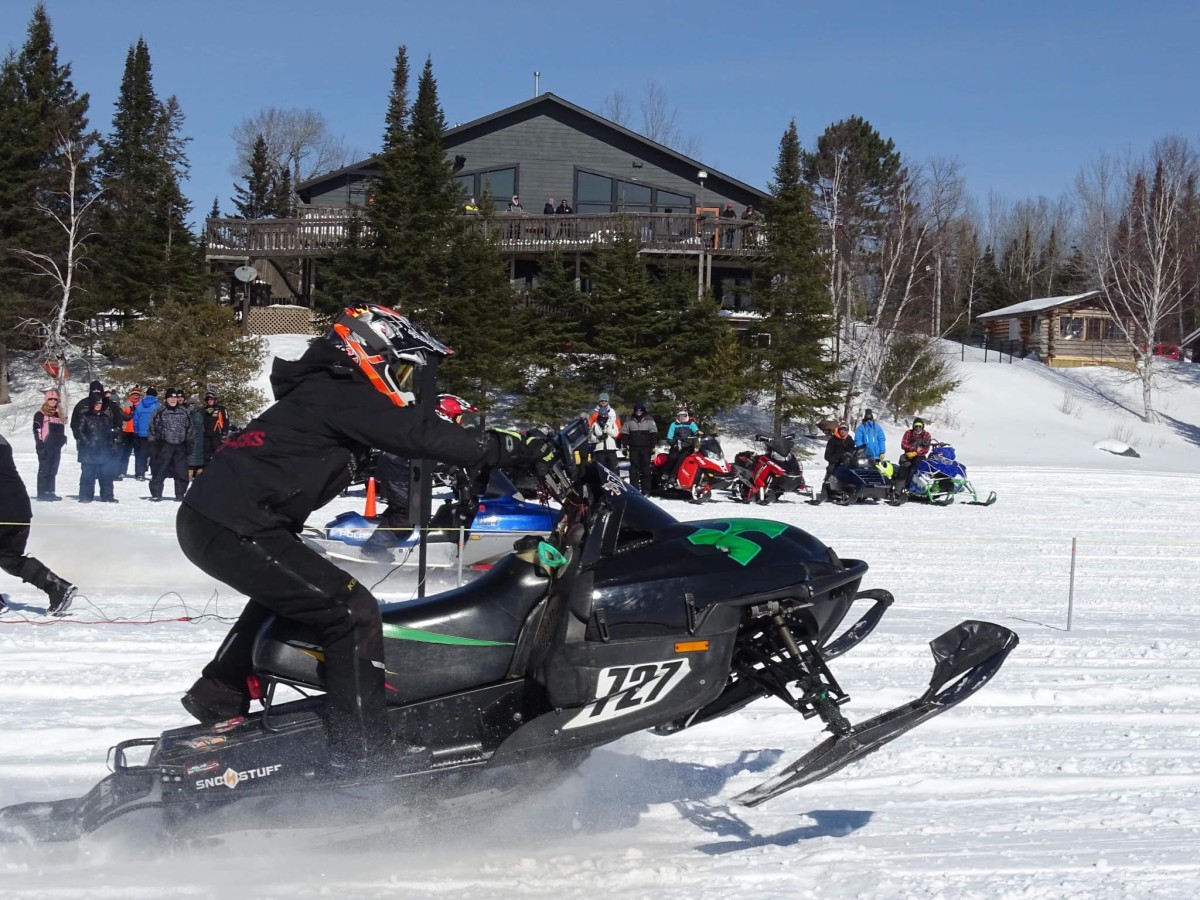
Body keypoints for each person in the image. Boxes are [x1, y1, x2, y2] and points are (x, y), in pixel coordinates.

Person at [175, 304, 551, 771]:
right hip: (234, 525)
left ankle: (219, 692)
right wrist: (503, 447)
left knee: (294, 596)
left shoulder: (327, 391)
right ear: (367, 353)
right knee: (351, 612)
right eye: (399, 366)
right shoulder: (340, 391)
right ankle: (364, 752)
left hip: (226, 520)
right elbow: (416, 433)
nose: (402, 379)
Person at [360, 393, 478, 561]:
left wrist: (459, 472)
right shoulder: (431, 428)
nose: (461, 422)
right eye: (459, 417)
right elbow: (433, 454)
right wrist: (452, 469)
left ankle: (391, 543)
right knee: (409, 513)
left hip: (402, 470)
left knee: (410, 513)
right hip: (398, 472)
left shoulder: (430, 425)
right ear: (446, 414)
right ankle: (373, 548)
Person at [0, 435, 76, 616]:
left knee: (7, 557)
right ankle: (57, 588)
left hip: (4, 508)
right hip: (19, 507)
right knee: (9, 558)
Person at [147, 389, 193, 501]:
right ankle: (156, 494)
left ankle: (180, 494)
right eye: (170, 397)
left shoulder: (184, 411)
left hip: (180, 445)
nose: (173, 400)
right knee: (159, 470)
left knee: (181, 472)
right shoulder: (159, 411)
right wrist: (153, 445)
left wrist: (189, 444)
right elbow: (152, 428)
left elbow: (190, 429)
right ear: (166, 399)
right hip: (164, 445)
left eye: (175, 397)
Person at [77, 394, 116, 503]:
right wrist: (88, 443)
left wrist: (112, 444)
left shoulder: (105, 417)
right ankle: (85, 496)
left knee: (106, 475)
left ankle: (107, 496)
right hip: (89, 452)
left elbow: (109, 433)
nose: (99, 405)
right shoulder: (85, 416)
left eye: (100, 403)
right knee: (88, 475)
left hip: (104, 451)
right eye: (97, 403)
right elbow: (79, 431)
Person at [33, 388, 67, 501]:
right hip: (45, 446)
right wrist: (40, 445)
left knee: (53, 470)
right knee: (45, 469)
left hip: (56, 447)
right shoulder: (40, 414)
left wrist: (63, 439)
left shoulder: (58, 415)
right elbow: (37, 431)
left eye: (55, 399)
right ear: (46, 400)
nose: (53, 401)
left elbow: (61, 430)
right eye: (50, 399)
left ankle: (50, 491)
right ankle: (42, 492)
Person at [622, 403, 657, 493]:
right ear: (634, 411)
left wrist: (652, 446)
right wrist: (625, 445)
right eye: (637, 410)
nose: (638, 412)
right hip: (633, 447)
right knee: (634, 468)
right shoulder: (629, 420)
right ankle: (634, 489)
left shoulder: (649, 419)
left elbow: (653, 433)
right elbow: (625, 433)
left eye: (640, 410)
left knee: (646, 468)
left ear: (643, 411)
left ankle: (646, 490)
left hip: (646, 447)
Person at [893, 416, 932, 491]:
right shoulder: (908, 433)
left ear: (922, 426)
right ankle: (898, 489)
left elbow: (926, 449)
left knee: (916, 467)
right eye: (916, 426)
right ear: (913, 426)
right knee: (904, 467)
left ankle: (913, 485)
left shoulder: (926, 435)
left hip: (920, 456)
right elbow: (904, 444)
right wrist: (914, 449)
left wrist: (917, 452)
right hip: (908, 454)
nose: (918, 427)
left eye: (919, 426)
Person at [664, 406, 699, 486]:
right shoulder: (674, 424)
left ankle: (674, 476)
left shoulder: (691, 424)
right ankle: (666, 472)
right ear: (677, 416)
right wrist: (674, 444)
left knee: (681, 458)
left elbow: (696, 431)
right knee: (673, 457)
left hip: (688, 447)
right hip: (677, 446)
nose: (682, 417)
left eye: (684, 415)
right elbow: (669, 437)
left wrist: (699, 433)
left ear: (687, 416)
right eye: (680, 416)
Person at [588, 393, 622, 472]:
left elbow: (618, 427)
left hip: (611, 443)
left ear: (608, 401)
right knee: (600, 466)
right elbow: (590, 428)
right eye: (601, 401)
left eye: (605, 401)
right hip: (599, 444)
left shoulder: (613, 412)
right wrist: (597, 438)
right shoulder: (593, 412)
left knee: (613, 466)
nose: (603, 402)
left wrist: (615, 439)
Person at [131, 387, 159, 481]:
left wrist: (136, 430)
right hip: (152, 433)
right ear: (155, 395)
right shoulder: (157, 405)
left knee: (141, 455)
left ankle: (140, 473)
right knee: (154, 456)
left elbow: (135, 419)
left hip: (141, 433)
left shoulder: (140, 405)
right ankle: (155, 474)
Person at [116, 388, 142, 478]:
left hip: (137, 432)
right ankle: (121, 471)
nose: (136, 397)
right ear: (130, 395)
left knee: (139, 454)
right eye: (134, 395)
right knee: (125, 453)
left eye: (137, 395)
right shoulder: (125, 404)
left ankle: (139, 473)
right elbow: (120, 415)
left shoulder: (141, 405)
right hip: (126, 431)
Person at [201, 390, 230, 465]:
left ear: (215, 399)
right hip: (206, 436)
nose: (210, 400)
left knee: (218, 454)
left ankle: (219, 471)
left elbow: (226, 421)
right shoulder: (203, 410)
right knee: (206, 455)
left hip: (217, 436)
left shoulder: (222, 409)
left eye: (212, 399)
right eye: (208, 399)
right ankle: (206, 472)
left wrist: (224, 433)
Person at [186, 394, 206, 481]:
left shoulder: (197, 414)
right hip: (195, 439)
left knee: (195, 459)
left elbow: (196, 425)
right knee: (193, 459)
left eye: (193, 404)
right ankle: (192, 476)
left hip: (197, 439)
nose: (192, 406)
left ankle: (193, 476)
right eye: (190, 404)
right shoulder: (191, 413)